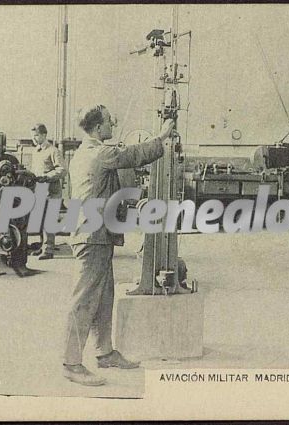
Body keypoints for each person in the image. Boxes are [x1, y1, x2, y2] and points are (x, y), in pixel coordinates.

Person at [63, 105, 175, 386]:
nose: (113, 124)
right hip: (92, 236)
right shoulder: (99, 152)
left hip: (97, 233)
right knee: (85, 299)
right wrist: (161, 137)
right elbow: (131, 155)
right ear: (99, 128)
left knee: (104, 297)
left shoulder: (84, 152)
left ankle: (104, 353)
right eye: (109, 122)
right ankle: (71, 363)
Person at [29, 123, 66, 260]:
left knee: (48, 221)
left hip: (52, 192)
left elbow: (62, 170)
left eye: (36, 135)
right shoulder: (35, 151)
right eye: (32, 136)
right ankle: (42, 247)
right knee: (40, 219)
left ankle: (48, 250)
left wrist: (47, 177)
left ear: (44, 135)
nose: (34, 138)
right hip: (39, 192)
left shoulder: (53, 151)